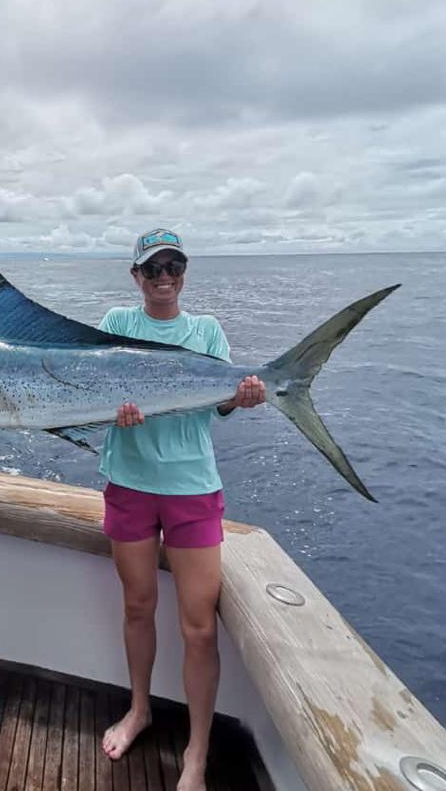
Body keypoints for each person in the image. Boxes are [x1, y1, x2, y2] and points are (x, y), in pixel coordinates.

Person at [98, 228, 265, 791]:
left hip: (192, 489)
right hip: (129, 484)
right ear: (136, 276)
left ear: (185, 272)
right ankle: (139, 709)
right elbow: (95, 392)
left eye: (173, 266)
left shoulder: (206, 331)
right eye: (153, 268)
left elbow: (218, 406)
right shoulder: (117, 323)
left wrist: (238, 398)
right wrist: (114, 411)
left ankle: (197, 751)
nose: (163, 277)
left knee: (198, 629)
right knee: (137, 607)